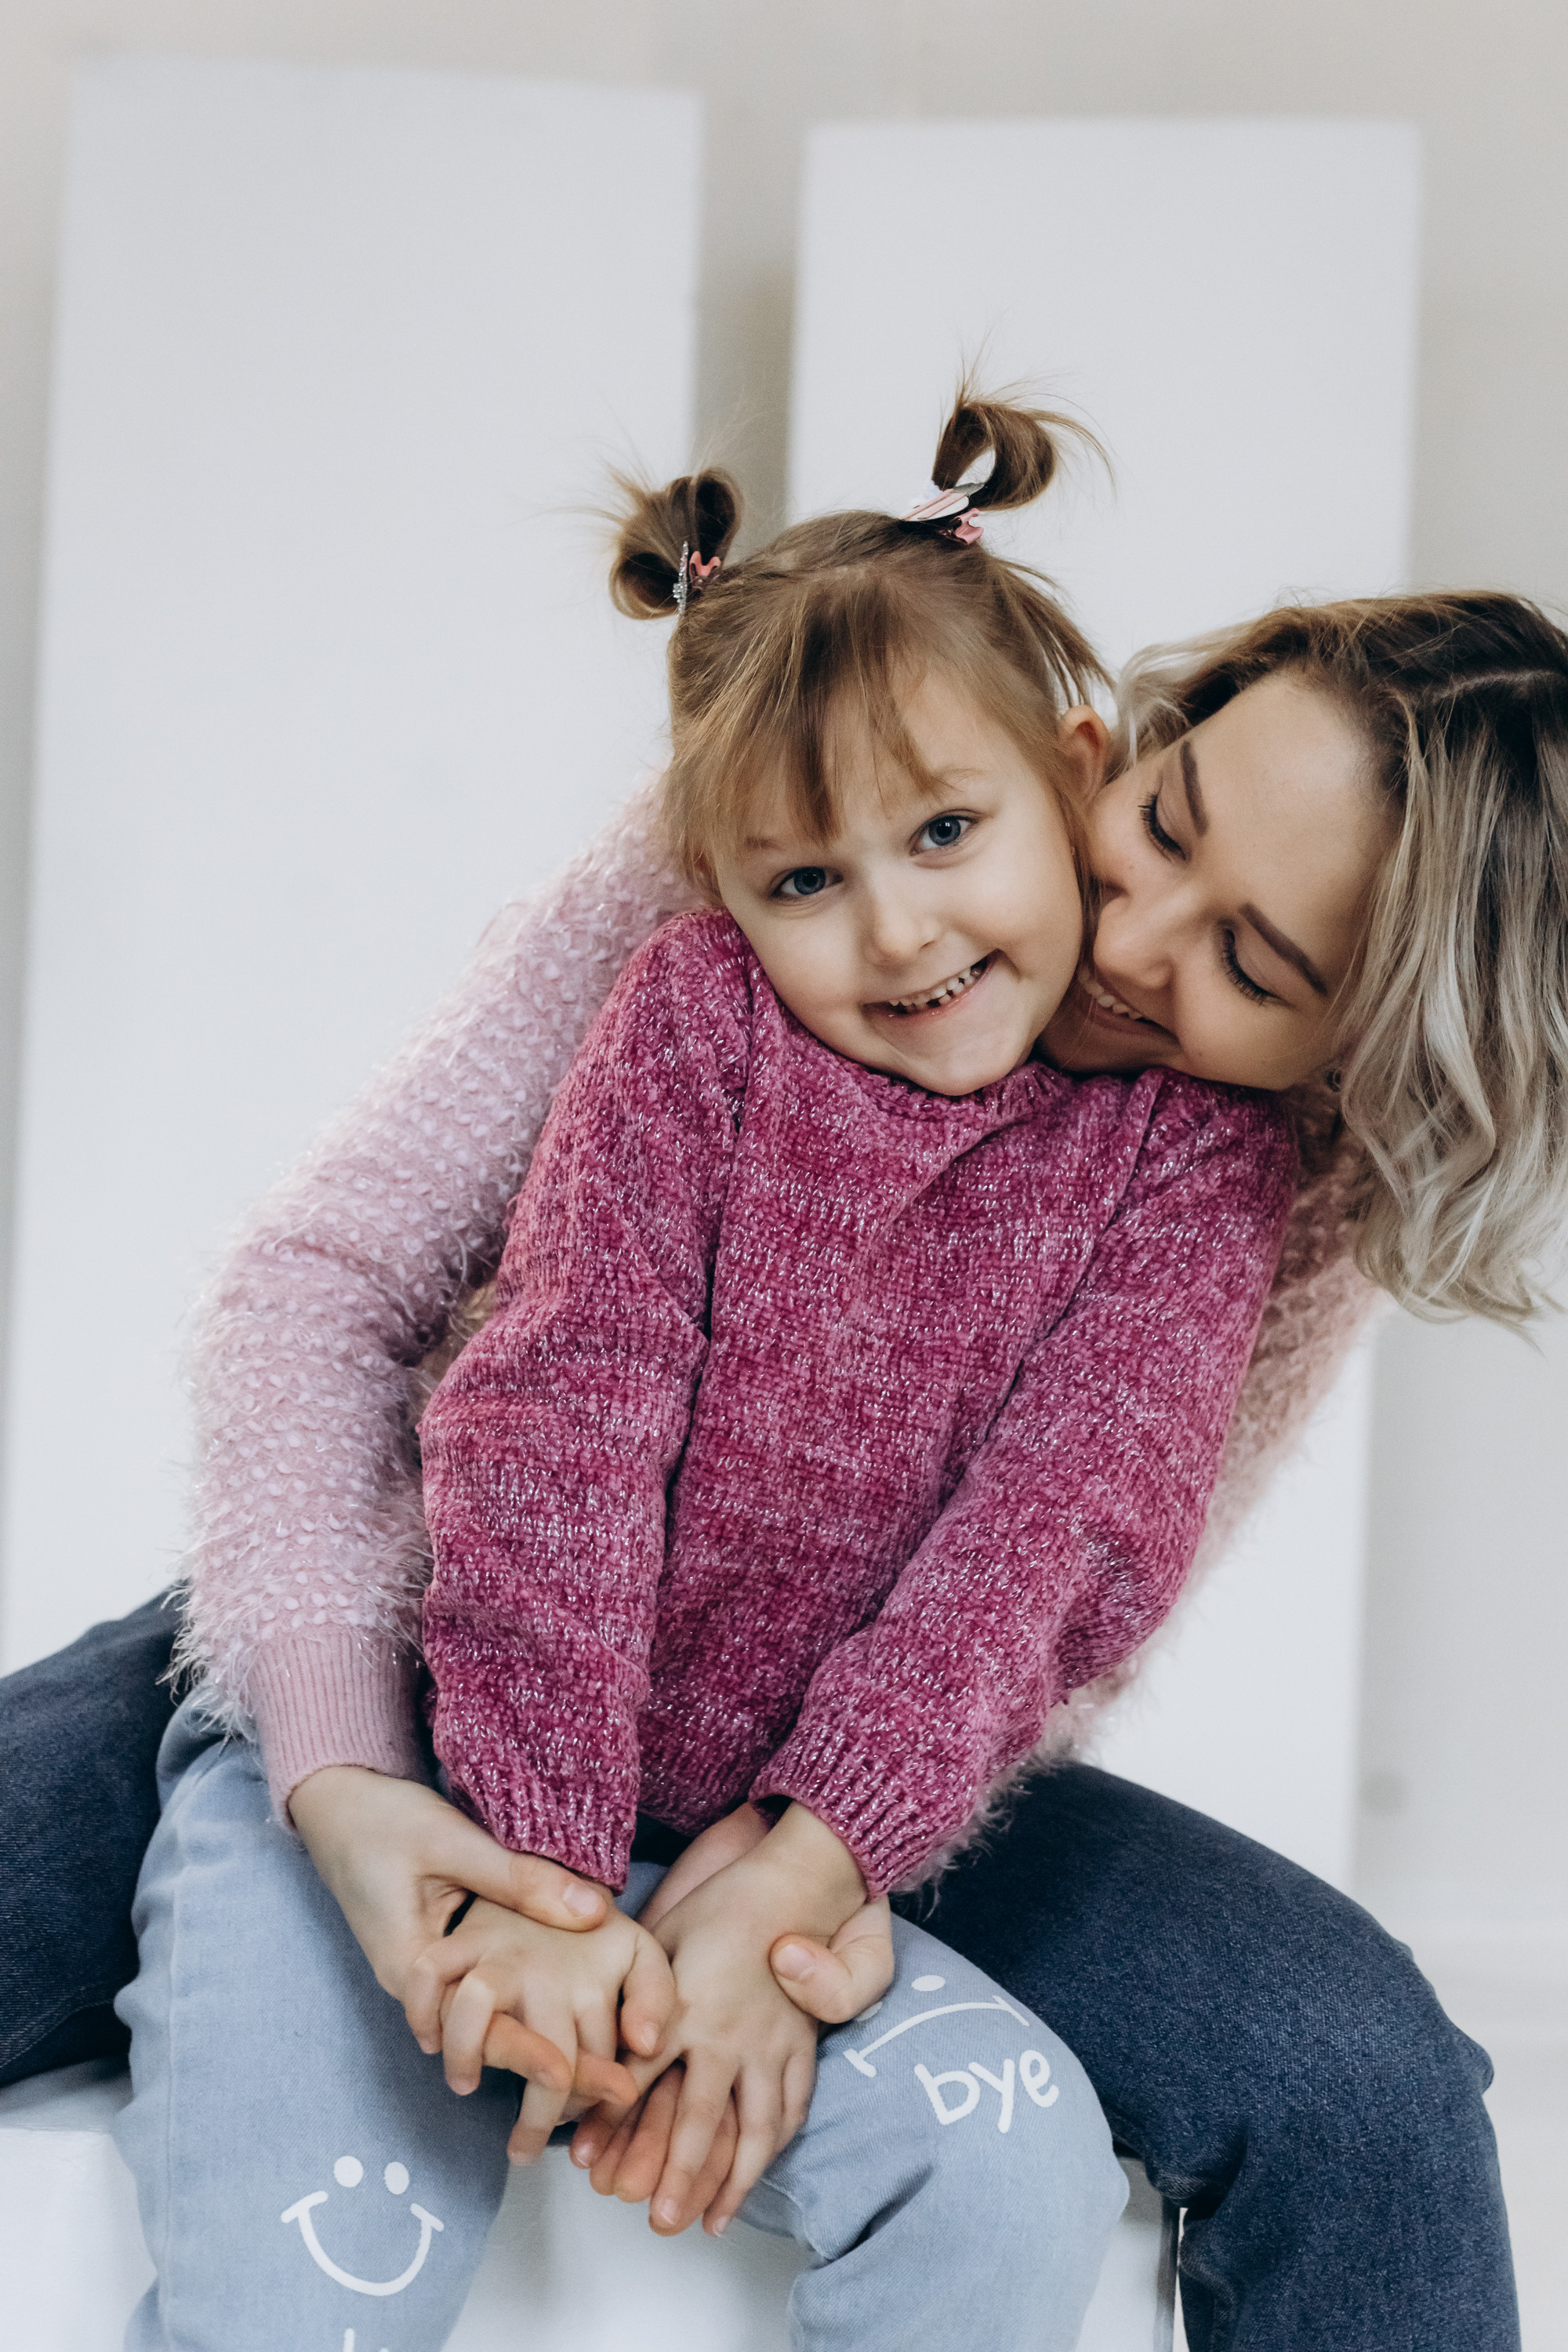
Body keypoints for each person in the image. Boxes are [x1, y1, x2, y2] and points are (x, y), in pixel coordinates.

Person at [5, 417, 1563, 2348]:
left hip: (871, 1750)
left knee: (1363, 2083)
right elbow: (362, 1306)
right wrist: (359, 1779)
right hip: (448, 1617)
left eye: (1255, 964)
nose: (1136, 940)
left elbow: (1051, 1568)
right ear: (1119, 737)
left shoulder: (1258, 1174)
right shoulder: (797, 851)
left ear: (1362, 1055)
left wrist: (795, 1881)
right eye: (1165, 824)